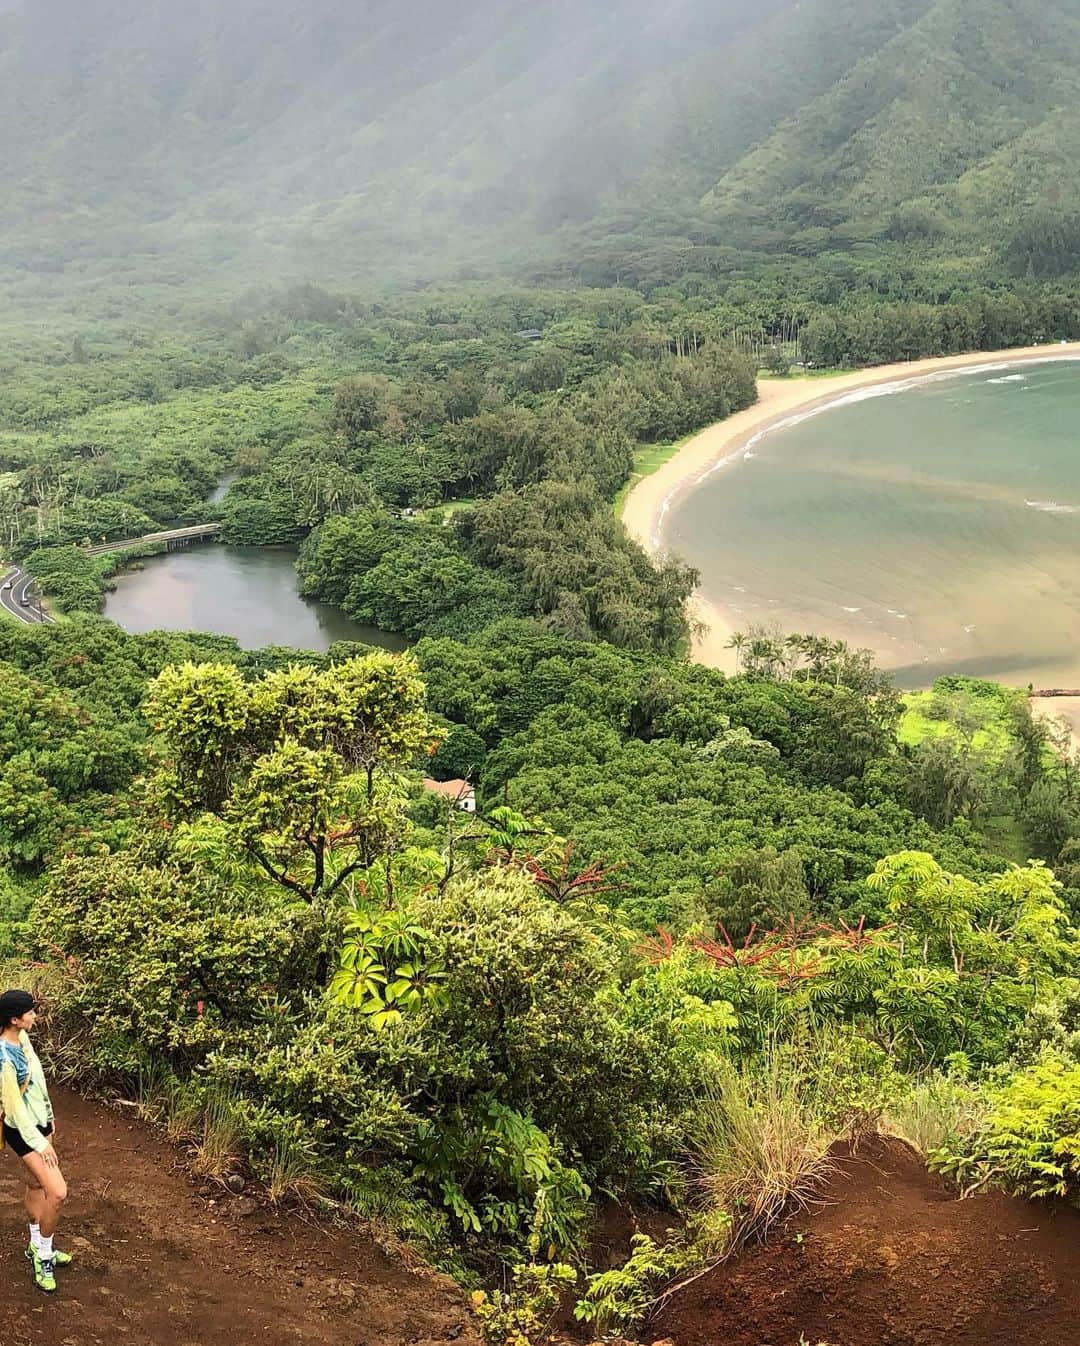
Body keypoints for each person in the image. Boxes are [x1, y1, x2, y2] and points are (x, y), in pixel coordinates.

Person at [0, 989, 70, 1293]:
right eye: (30, 1012)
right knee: (57, 1192)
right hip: (24, 1130)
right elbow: (14, 1111)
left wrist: (49, 1113)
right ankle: (44, 1255)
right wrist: (41, 1144)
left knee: (36, 1184)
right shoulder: (4, 1058)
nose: (35, 1015)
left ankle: (34, 1245)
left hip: (41, 1123)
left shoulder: (23, 1038)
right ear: (15, 1020)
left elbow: (38, 1079)